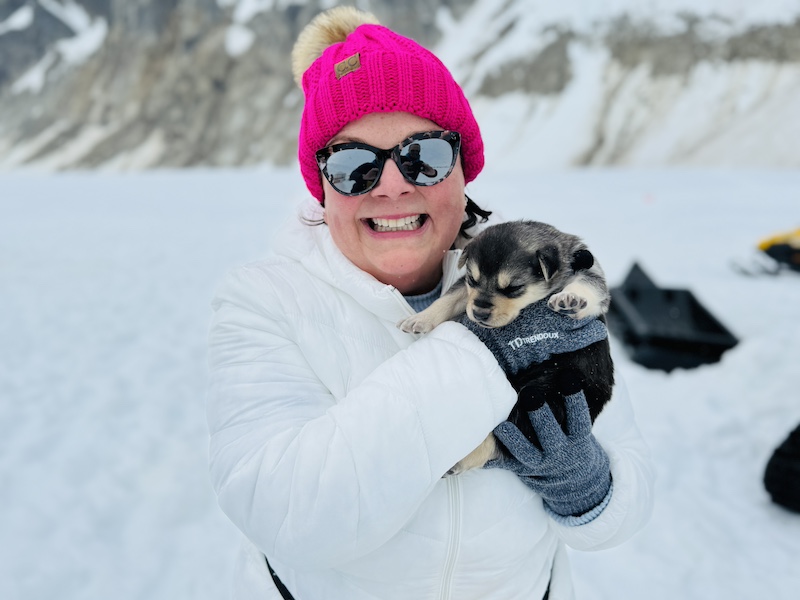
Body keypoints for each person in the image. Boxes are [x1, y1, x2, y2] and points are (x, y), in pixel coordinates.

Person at [206, 7, 654, 600]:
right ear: (321, 185)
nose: (392, 185)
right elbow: (289, 512)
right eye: (352, 165)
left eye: (426, 156)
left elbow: (629, 491)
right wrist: (485, 340)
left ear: (463, 170)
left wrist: (589, 491)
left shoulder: (539, 270)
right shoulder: (263, 300)